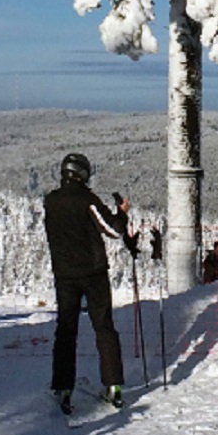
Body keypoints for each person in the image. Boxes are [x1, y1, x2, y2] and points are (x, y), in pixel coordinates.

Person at [41, 152, 136, 414]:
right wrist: (122, 212)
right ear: (83, 174)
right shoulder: (88, 200)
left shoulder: (51, 201)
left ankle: (63, 388)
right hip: (93, 274)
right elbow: (113, 230)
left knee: (66, 331)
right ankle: (113, 385)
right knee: (104, 328)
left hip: (64, 276)